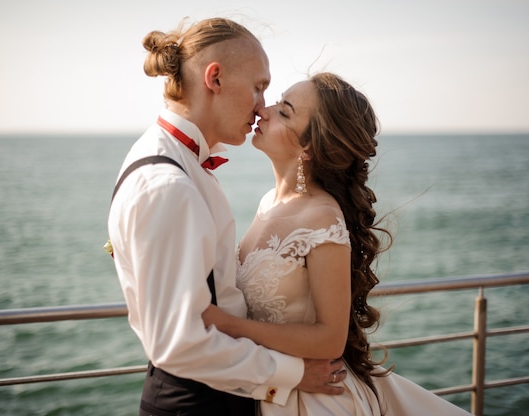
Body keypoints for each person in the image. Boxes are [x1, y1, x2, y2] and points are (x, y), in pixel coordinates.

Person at [106, 18, 347, 416]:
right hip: (198, 404)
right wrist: (290, 374)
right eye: (259, 87)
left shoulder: (183, 164)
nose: (261, 106)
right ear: (214, 78)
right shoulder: (169, 184)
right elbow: (180, 344)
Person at [202, 72, 472, 415]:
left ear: (309, 147)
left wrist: (229, 325)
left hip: (314, 401)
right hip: (272, 390)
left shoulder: (322, 216)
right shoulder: (269, 201)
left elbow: (330, 338)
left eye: (285, 111)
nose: (264, 111)